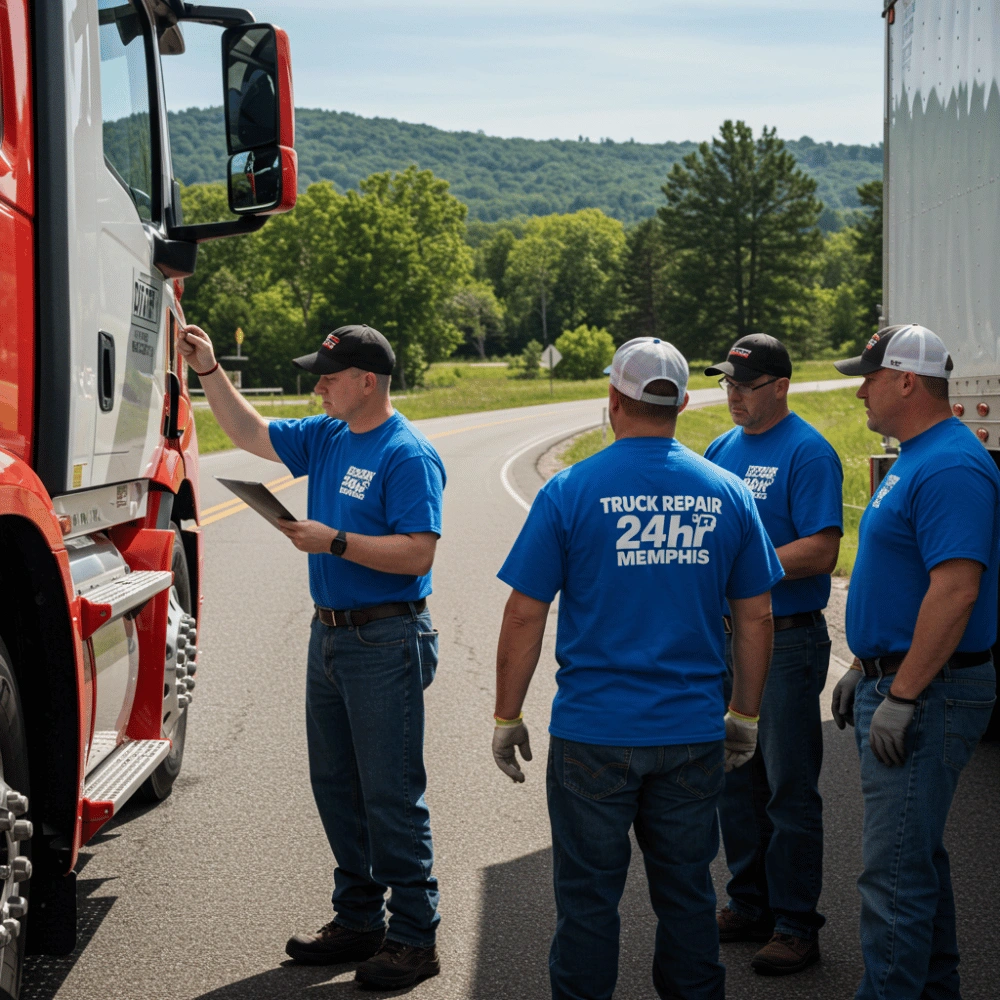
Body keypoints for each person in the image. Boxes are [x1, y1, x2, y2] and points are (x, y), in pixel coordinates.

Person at [491, 337, 784, 1000]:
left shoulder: (571, 491)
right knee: (685, 895)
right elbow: (757, 617)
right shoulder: (728, 493)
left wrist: (508, 714)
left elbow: (524, 615)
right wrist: (744, 714)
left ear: (614, 399)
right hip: (689, 734)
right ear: (681, 402)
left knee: (588, 903)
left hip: (594, 733)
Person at [177, 323, 446, 990]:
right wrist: (209, 369)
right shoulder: (327, 435)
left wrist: (336, 543)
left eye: (329, 374)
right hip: (329, 637)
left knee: (390, 795)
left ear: (367, 381)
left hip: (386, 640)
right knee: (338, 789)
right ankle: (359, 920)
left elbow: (419, 551)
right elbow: (251, 434)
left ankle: (414, 937)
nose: (318, 383)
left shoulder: (407, 454)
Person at [829, 325, 999, 1000]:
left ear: (905, 380)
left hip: (930, 693)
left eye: (869, 377)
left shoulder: (951, 465)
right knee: (914, 858)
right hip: (905, 679)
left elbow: (956, 589)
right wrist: (863, 664)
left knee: (893, 874)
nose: (861, 390)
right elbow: (905, 580)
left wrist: (900, 691)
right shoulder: (917, 454)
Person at [702, 334, 843, 976]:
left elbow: (820, 550)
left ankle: (795, 924)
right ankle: (748, 902)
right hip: (729, 638)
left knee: (787, 787)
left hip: (786, 640)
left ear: (780, 386)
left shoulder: (809, 451)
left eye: (744, 384)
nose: (731, 395)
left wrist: (743, 572)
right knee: (736, 776)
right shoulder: (720, 448)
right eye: (726, 383)